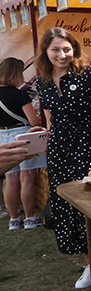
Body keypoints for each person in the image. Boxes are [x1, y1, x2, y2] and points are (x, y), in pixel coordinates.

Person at [36, 27, 91, 289]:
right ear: (45, 51)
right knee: (69, 207)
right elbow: (50, 117)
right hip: (60, 151)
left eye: (67, 48)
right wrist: (44, 136)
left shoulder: (86, 74)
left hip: (89, 147)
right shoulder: (42, 79)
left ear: (74, 49)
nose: (62, 54)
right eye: (56, 49)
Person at [0, 57, 47, 230]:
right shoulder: (19, 94)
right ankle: (29, 218)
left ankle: (13, 219)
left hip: (2, 136)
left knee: (10, 179)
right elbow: (34, 121)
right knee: (26, 177)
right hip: (22, 135)